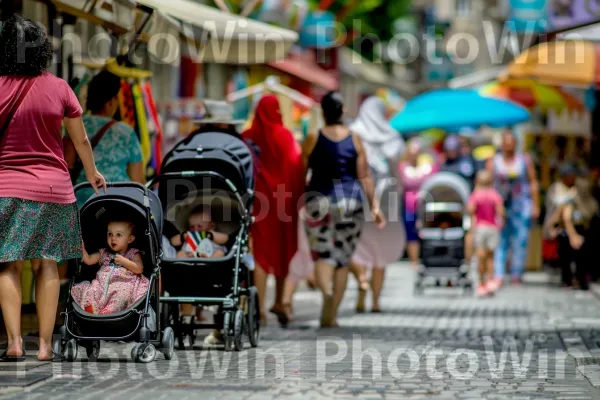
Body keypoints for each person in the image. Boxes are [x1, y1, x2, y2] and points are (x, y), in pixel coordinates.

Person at [0, 14, 106, 361]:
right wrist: (91, 174)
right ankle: (45, 346)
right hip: (53, 189)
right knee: (47, 264)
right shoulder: (60, 87)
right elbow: (81, 140)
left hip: (5, 187)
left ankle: (15, 342)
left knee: (8, 264)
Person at [301, 91, 385, 328]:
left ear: (323, 112)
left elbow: (301, 173)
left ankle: (325, 292)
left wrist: (296, 199)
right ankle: (333, 313)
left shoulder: (312, 138)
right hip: (351, 202)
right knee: (343, 258)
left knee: (322, 254)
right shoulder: (355, 139)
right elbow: (365, 176)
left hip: (319, 201)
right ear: (343, 112)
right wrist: (375, 206)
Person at [242, 95, 304, 327]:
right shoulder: (285, 136)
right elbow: (296, 167)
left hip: (258, 202)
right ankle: (280, 300)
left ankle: (259, 310)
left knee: (260, 254)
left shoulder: (247, 137)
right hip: (284, 203)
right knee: (283, 252)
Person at [347, 96, 406, 313]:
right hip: (387, 200)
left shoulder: (354, 133)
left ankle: (362, 282)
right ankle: (375, 301)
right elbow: (397, 170)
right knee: (380, 251)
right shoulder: (392, 137)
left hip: (359, 197)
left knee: (358, 245)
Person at [63, 70, 145, 207]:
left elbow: (67, 165)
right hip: (119, 203)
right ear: (111, 102)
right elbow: (137, 181)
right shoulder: (126, 132)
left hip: (84, 203)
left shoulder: (75, 125)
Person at [487, 131, 540, 287]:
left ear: (515, 144)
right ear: (502, 144)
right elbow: (488, 184)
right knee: (500, 240)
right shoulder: (494, 161)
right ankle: (499, 273)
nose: (509, 145)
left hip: (520, 205)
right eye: (506, 142)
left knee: (520, 240)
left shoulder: (524, 160)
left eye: (512, 142)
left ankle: (517, 273)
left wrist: (535, 204)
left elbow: (533, 182)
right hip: (500, 207)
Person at [71, 220, 148, 314]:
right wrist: (81, 248)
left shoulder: (133, 253)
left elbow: (139, 268)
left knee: (123, 295)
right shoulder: (104, 253)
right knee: (90, 289)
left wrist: (125, 262)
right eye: (110, 234)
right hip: (101, 286)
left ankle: (110, 312)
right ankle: (91, 309)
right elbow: (88, 260)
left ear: (130, 239)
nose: (113, 238)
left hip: (122, 285)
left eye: (118, 235)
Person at [398, 138, 438, 266]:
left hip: (426, 205)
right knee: (411, 233)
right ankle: (414, 261)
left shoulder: (427, 166)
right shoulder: (402, 167)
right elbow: (406, 181)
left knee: (426, 231)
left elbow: (433, 175)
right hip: (409, 206)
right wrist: (421, 180)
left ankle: (428, 259)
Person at [467, 170, 504, 297]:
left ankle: (481, 283)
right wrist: (501, 222)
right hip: (492, 228)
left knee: (480, 256)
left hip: (480, 228)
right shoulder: (494, 194)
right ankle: (491, 281)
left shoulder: (476, 195)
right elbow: (501, 211)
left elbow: (470, 210)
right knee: (490, 257)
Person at [560, 174, 599, 290]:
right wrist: (573, 236)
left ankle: (581, 279)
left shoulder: (592, 203)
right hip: (572, 232)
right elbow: (566, 219)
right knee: (571, 255)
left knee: (584, 257)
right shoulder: (573, 200)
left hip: (584, 234)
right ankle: (570, 279)